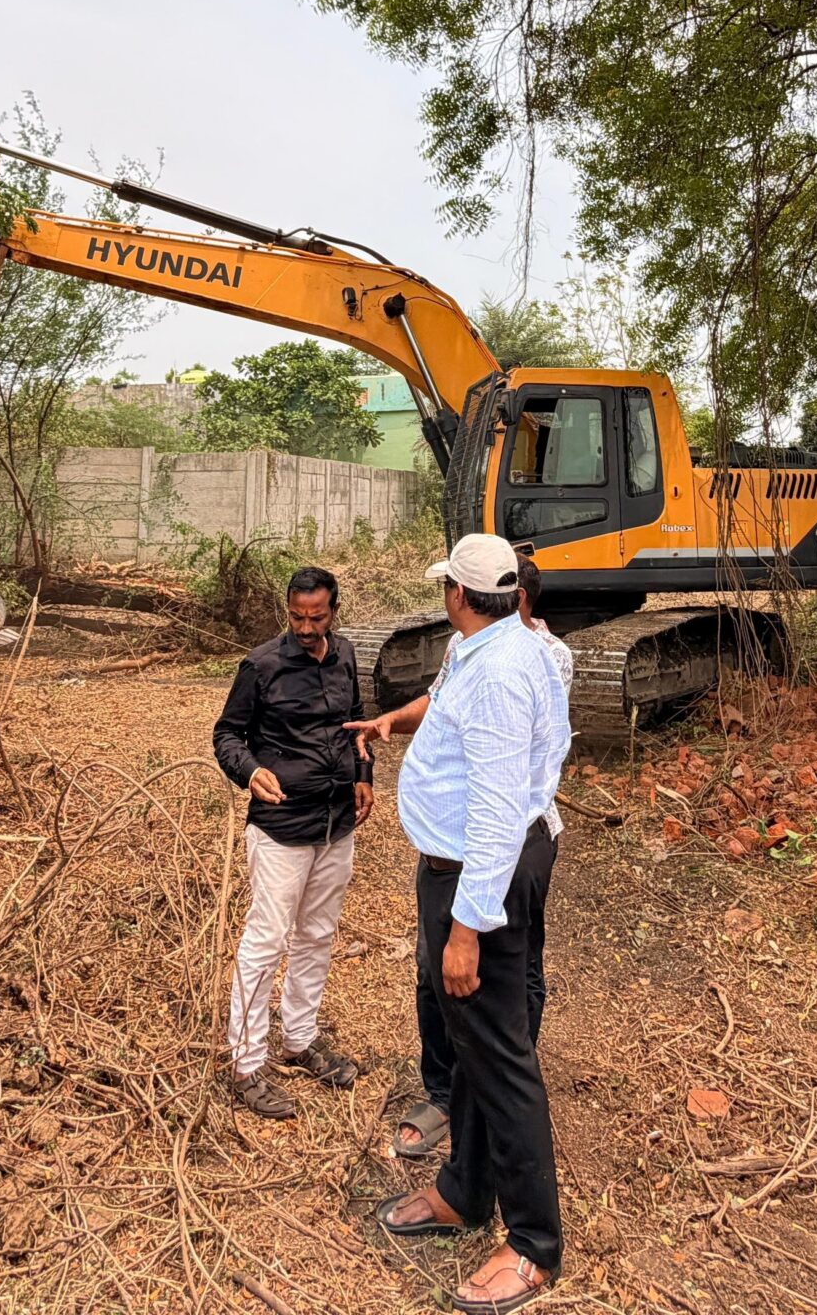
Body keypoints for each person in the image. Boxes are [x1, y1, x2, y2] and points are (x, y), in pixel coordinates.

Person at [367, 532, 562, 1314]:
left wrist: (466, 926)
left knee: (502, 1058)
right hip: (473, 870)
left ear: (458, 592)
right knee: (477, 1045)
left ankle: (535, 1242)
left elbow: (496, 810)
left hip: (481, 878)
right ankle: (465, 1191)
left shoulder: (502, 676)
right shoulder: (494, 647)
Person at [211, 565, 371, 1119]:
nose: (306, 627)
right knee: (266, 940)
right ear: (288, 610)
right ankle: (246, 1064)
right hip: (280, 829)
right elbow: (227, 734)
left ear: (333, 612)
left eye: (317, 617)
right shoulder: (261, 666)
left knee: (318, 934)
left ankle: (299, 1040)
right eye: (297, 616)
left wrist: (363, 778)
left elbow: (354, 722)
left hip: (336, 824)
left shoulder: (347, 655)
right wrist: (248, 770)